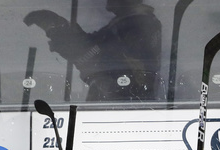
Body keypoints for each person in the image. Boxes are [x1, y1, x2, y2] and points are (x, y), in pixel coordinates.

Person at [25, 0, 162, 101]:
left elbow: (92, 53)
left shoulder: (135, 25)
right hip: (117, 99)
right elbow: (94, 49)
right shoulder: (127, 23)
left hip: (122, 101)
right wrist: (60, 31)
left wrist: (59, 30)